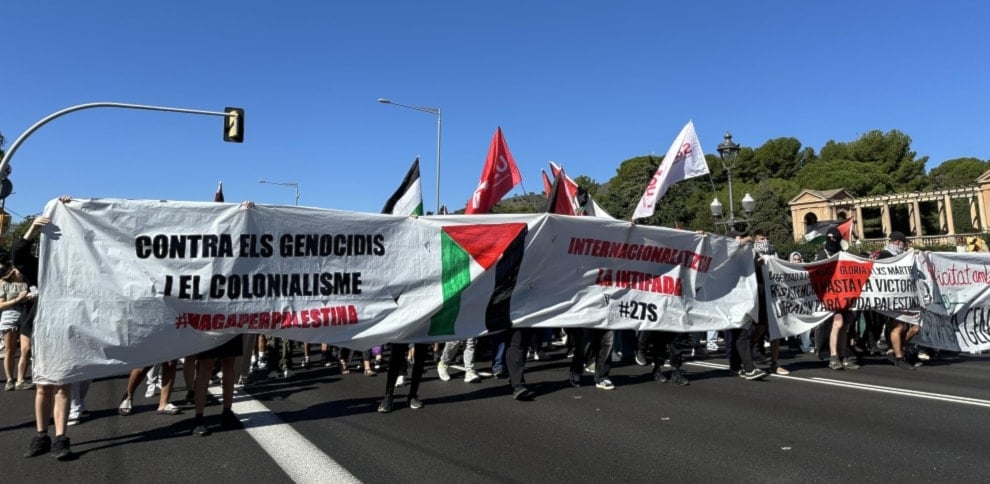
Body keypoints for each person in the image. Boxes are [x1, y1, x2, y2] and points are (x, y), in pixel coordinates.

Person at [20, 205, 75, 460]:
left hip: (67, 330)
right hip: (43, 331)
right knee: (43, 387)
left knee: (63, 385)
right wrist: (33, 228)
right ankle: (41, 435)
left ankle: (61, 439)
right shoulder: (38, 267)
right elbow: (18, 254)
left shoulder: (75, 272)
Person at [872, 231, 919, 369]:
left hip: (904, 296)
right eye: (903, 243)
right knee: (899, 326)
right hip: (891, 297)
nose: (904, 246)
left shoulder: (901, 256)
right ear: (898, 242)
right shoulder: (884, 255)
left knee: (914, 326)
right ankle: (899, 356)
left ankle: (897, 349)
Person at [821, 227, 859, 371]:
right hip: (830, 297)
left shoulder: (843, 255)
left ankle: (843, 356)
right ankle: (833, 356)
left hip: (844, 296)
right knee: (838, 323)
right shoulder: (821, 254)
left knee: (845, 326)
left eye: (835, 237)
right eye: (830, 237)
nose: (832, 240)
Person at [1, 261, 35, 391]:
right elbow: (1, 304)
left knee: (25, 349)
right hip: (10, 319)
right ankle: (9, 380)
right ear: (13, 270)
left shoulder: (27, 284)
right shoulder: (4, 284)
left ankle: (20, 380)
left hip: (25, 318)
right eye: (17, 269)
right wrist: (18, 299)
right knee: (10, 350)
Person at [378, 342, 427, 413]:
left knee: (420, 359)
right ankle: (388, 395)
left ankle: (413, 395)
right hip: (404, 333)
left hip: (420, 333)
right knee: (396, 357)